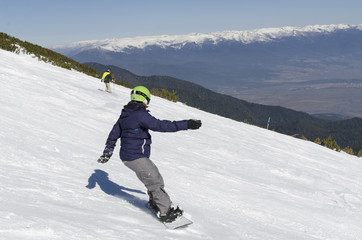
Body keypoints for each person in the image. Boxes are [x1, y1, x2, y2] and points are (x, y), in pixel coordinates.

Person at [97, 86, 202, 223]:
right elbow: (160, 125)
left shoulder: (126, 113)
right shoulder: (139, 114)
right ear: (144, 98)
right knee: (154, 181)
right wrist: (186, 124)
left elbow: (114, 134)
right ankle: (166, 213)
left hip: (131, 156)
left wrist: (107, 152)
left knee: (155, 177)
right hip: (135, 156)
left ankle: (155, 204)